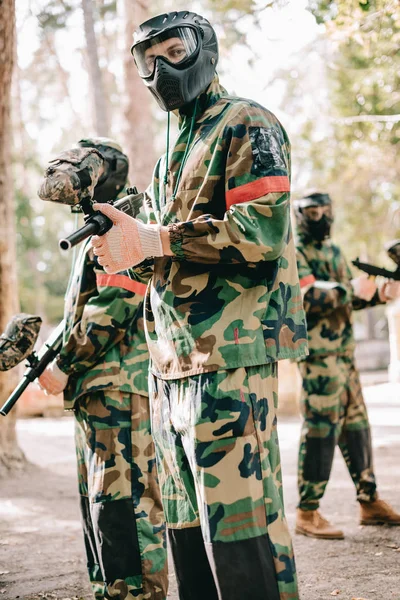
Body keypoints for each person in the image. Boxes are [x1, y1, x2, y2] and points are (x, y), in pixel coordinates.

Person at [90, 11, 309, 600]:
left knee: (241, 528)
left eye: (173, 49)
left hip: (231, 355)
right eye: (146, 58)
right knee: (188, 529)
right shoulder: (171, 150)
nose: (160, 68)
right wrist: (127, 246)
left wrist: (157, 239)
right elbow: (167, 249)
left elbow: (261, 231)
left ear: (205, 50)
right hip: (171, 362)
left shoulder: (246, 122)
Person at [38, 138, 168, 600]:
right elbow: (80, 313)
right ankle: (111, 590)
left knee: (126, 504)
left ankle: (137, 594)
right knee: (101, 502)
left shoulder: (124, 221)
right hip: (98, 388)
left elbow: (114, 308)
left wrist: (65, 364)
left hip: (119, 386)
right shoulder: (94, 230)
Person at [293, 191, 400, 540]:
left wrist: (376, 295)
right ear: (299, 215)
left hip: (344, 353)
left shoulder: (334, 252)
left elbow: (345, 301)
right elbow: (310, 296)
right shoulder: (294, 253)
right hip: (318, 357)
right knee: (321, 430)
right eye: (313, 211)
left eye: (326, 209)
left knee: (357, 427)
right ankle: (307, 512)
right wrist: (351, 288)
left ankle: (368, 502)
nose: (321, 216)